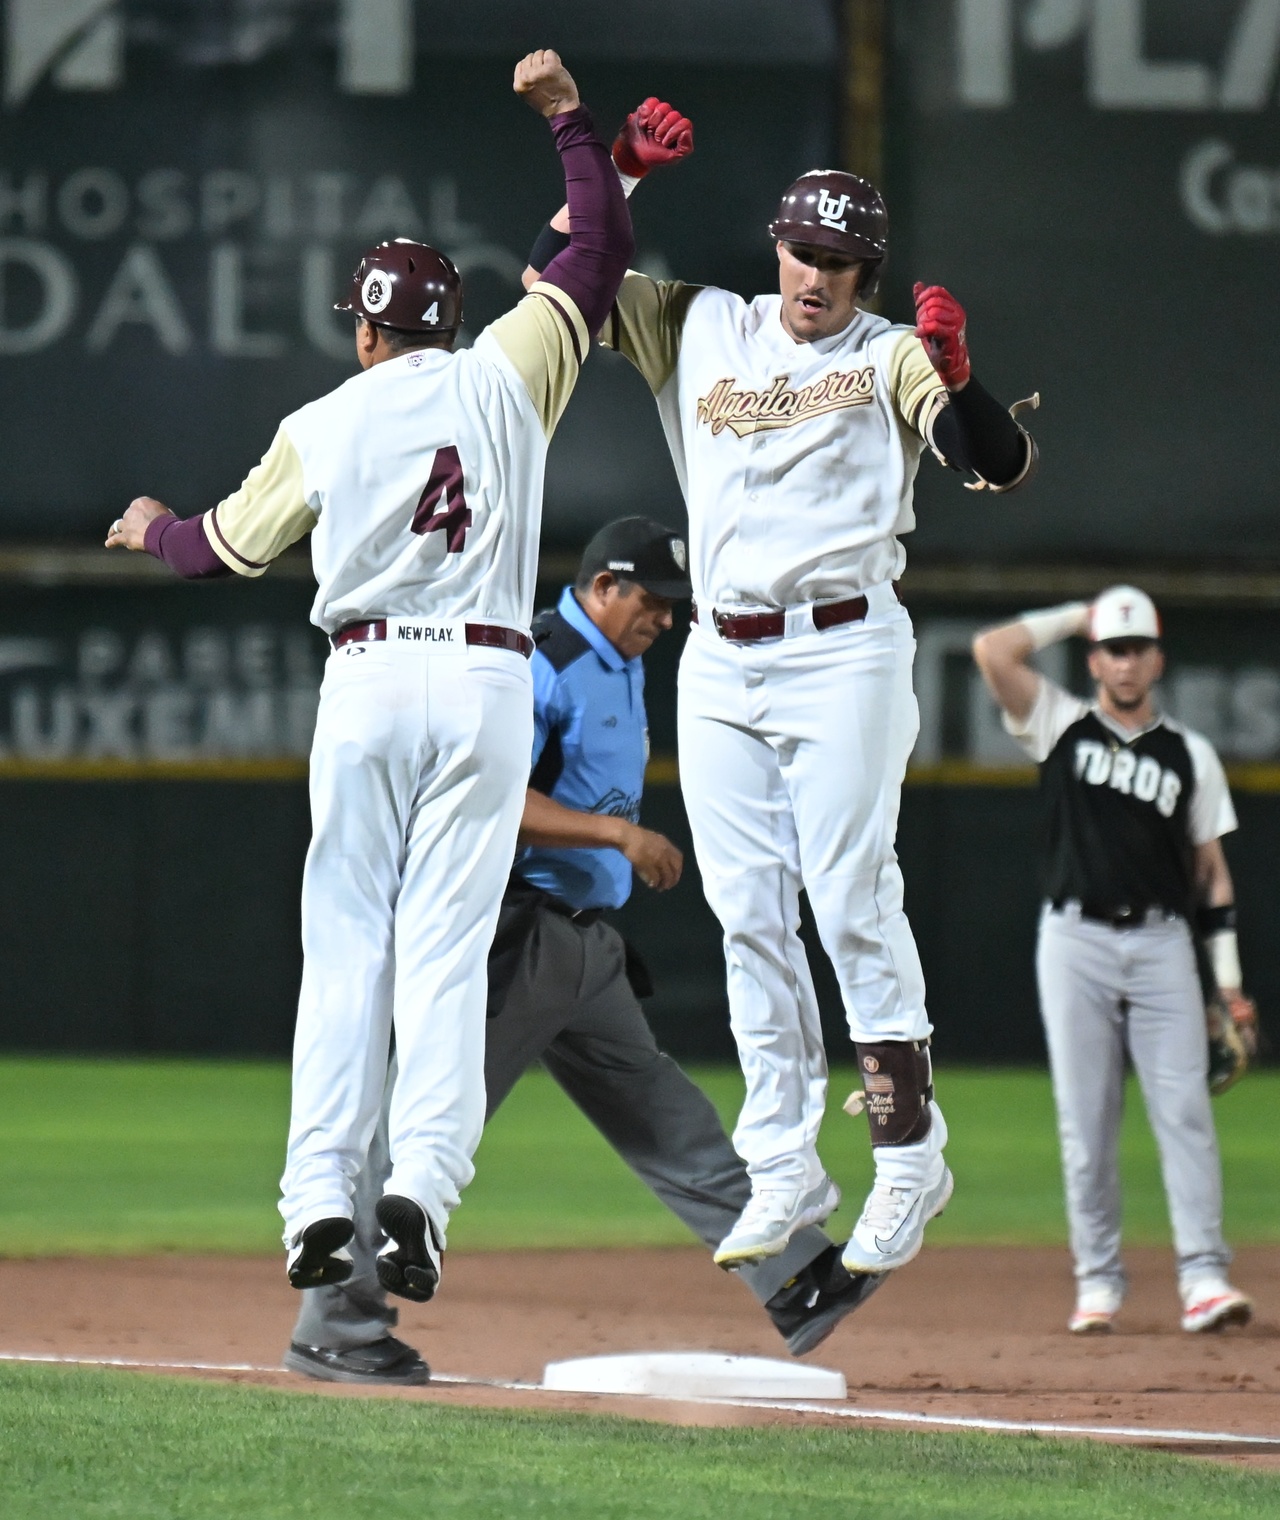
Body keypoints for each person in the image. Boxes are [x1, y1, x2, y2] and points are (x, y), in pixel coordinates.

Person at [105, 50, 633, 1302]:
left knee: (347, 946)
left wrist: (153, 527)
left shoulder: (324, 422)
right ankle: (420, 1198)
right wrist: (570, 125)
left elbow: (219, 551)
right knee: (444, 953)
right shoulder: (506, 371)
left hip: (369, 678)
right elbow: (598, 250)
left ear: (363, 327)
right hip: (489, 683)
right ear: (447, 321)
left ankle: (314, 1205)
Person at [524, 133, 1038, 1276]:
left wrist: (957, 378)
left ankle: (906, 1152)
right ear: (776, 249)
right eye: (802, 252)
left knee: (849, 896)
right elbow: (552, 285)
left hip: (842, 647)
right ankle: (783, 1159)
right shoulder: (698, 321)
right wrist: (616, 172)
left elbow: (994, 462)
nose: (815, 274)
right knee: (747, 908)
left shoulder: (889, 352)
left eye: (837, 261)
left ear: (865, 273)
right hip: (720, 652)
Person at [284, 519, 881, 1386]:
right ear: (604, 585)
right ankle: (334, 1323)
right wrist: (617, 835)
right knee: (426, 1125)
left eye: (674, 605)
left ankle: (795, 1275)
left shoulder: (620, 660)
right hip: (514, 933)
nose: (666, 619)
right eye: (654, 600)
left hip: (584, 946)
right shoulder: (541, 660)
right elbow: (488, 796)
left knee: (664, 1113)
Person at [972, 586, 1255, 1333]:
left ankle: (1205, 1278)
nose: (1125, 662)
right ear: (1094, 658)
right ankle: (1097, 1282)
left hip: (1163, 942)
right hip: (1076, 941)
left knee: (1185, 1112)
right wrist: (1078, 614)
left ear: (1158, 659)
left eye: (1137, 649)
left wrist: (1228, 986)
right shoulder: (1060, 724)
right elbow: (992, 651)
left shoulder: (1189, 753)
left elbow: (1212, 875)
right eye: (1111, 648)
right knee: (1086, 1120)